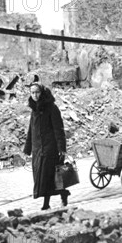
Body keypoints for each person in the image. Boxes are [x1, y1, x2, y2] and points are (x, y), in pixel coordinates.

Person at [23, 82, 70, 210]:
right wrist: (27, 149)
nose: (35, 95)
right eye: (32, 93)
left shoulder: (52, 108)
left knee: (47, 177)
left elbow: (58, 129)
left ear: (42, 92)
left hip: (50, 149)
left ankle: (46, 204)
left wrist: (61, 149)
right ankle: (63, 193)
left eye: (37, 92)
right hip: (38, 149)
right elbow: (31, 130)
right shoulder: (34, 109)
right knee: (42, 178)